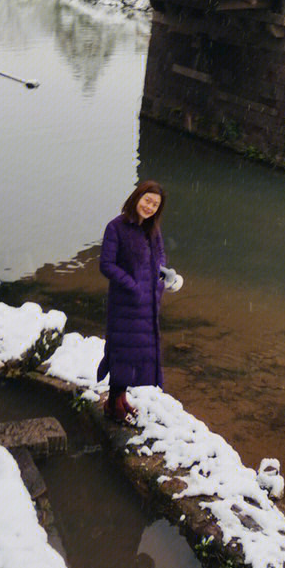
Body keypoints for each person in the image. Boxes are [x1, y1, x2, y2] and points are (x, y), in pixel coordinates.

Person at [97, 179, 181, 424]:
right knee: (122, 351)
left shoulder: (152, 229)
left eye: (155, 204)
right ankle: (113, 404)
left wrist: (163, 274)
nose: (150, 207)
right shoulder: (116, 227)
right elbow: (107, 265)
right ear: (137, 198)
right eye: (147, 200)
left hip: (147, 303)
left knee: (137, 353)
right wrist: (132, 285)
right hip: (124, 303)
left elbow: (160, 256)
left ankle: (120, 398)